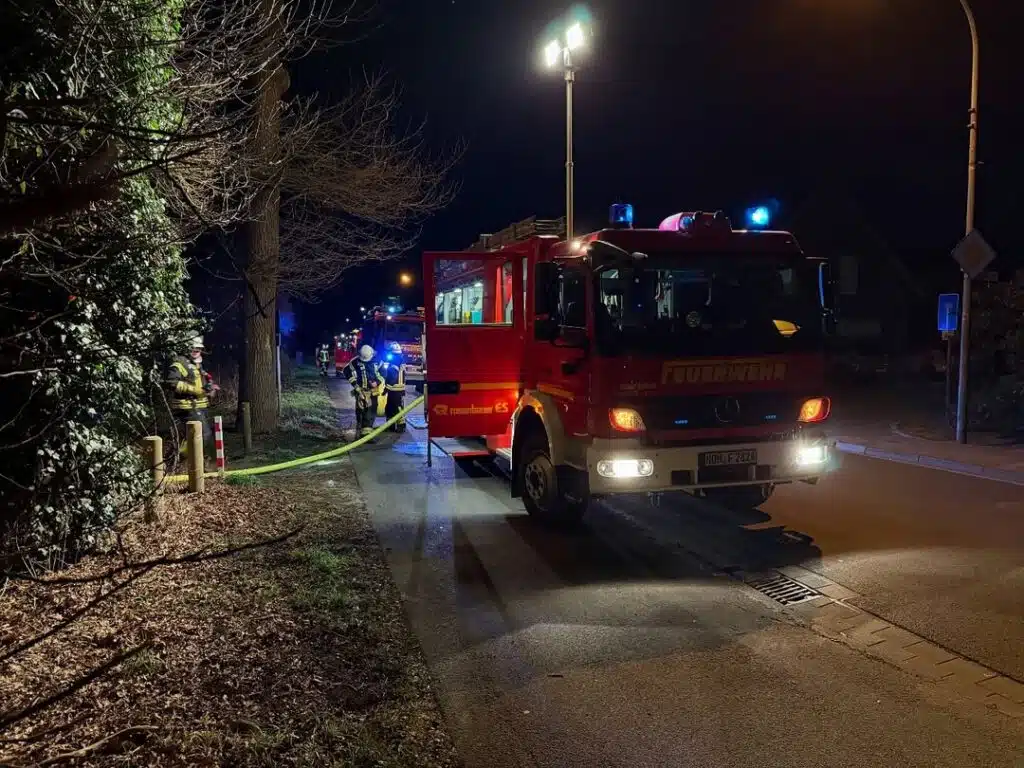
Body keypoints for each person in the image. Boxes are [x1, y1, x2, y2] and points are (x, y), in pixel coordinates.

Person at [165, 336, 217, 462]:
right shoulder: (179, 363)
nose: (196, 350)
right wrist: (195, 390)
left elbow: (202, 380)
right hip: (187, 406)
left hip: (200, 405)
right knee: (203, 435)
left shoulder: (198, 363)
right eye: (193, 348)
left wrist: (210, 388)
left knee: (200, 438)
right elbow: (172, 383)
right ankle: (172, 461)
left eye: (198, 348)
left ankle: (202, 466)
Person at [342, 345, 384, 436]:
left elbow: (384, 373)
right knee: (360, 411)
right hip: (360, 392)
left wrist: (377, 382)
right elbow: (346, 371)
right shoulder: (355, 362)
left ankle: (366, 434)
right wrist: (355, 386)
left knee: (370, 411)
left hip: (372, 392)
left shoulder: (378, 361)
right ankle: (361, 429)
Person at [381, 341, 407, 432]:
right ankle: (392, 425)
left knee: (394, 408)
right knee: (394, 407)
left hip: (394, 389)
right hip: (400, 388)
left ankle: (400, 425)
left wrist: (385, 389)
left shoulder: (394, 363)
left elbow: (392, 377)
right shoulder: (401, 360)